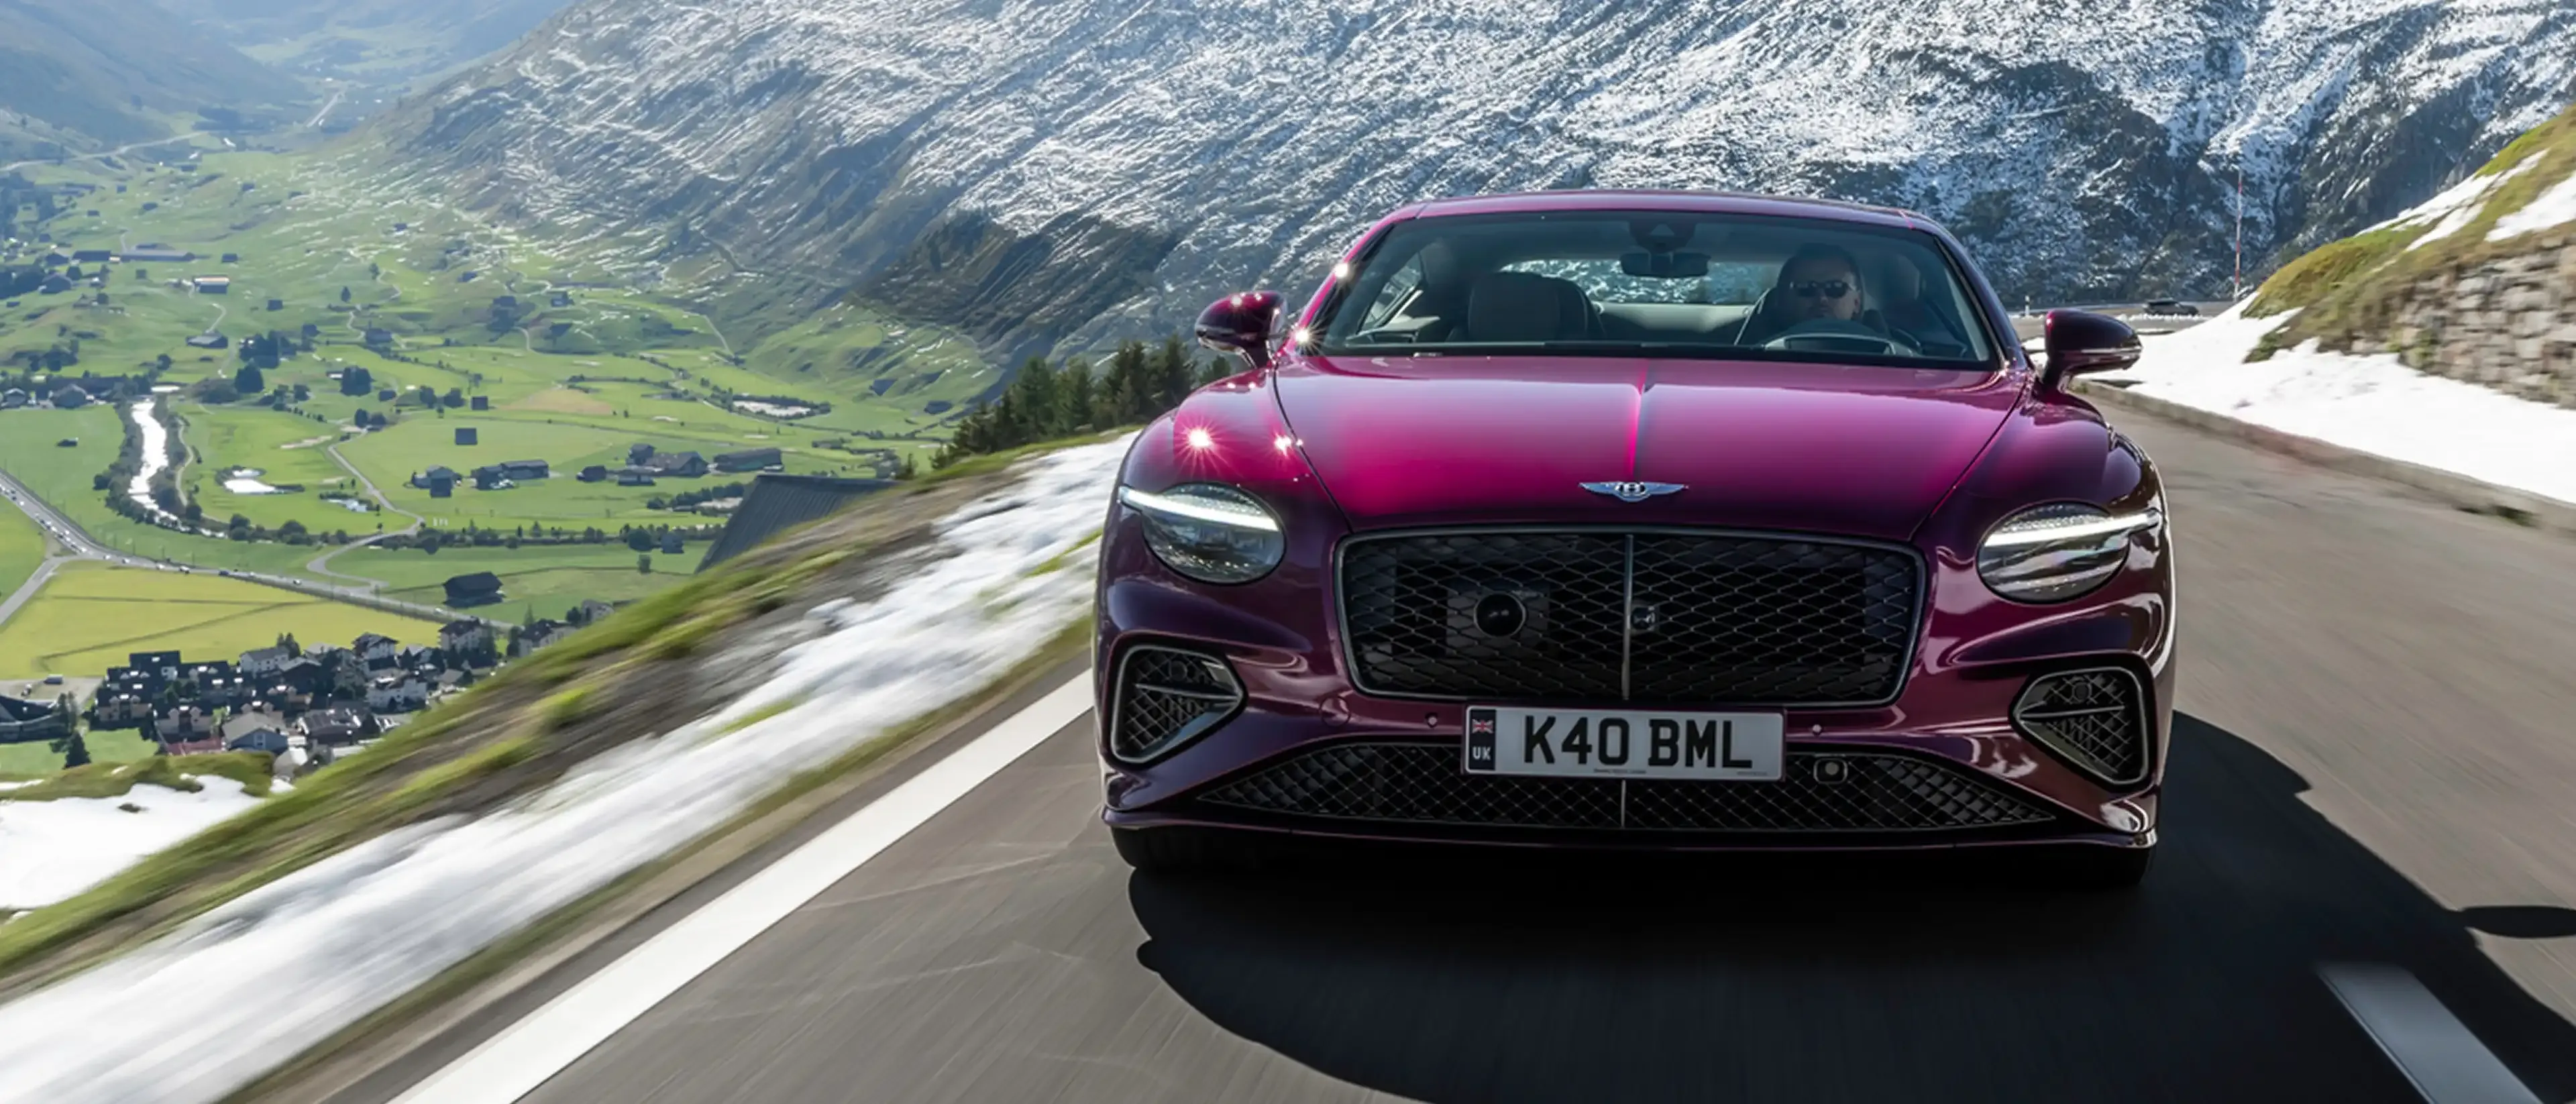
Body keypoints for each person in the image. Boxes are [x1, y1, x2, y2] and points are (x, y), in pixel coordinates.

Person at [1736, 243, 1870, 344]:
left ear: (1857, 302)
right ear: (1784, 300)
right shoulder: (1753, 357)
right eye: (1806, 288)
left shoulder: (1888, 355)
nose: (1822, 299)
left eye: (1835, 288)